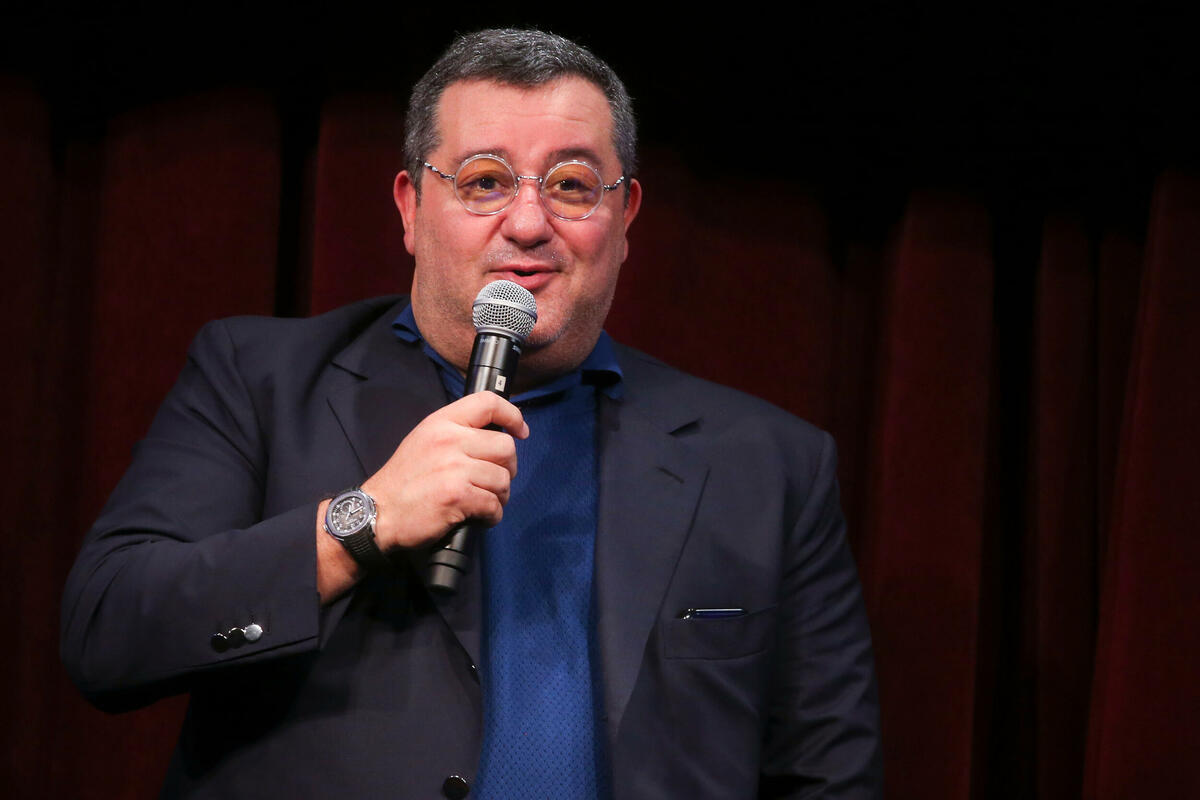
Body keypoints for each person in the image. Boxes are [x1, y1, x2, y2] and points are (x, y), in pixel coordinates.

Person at [61, 28, 882, 799]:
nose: (527, 224)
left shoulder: (769, 463)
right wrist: (360, 523)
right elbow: (108, 634)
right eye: (484, 181)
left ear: (626, 218)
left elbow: (827, 772)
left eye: (571, 186)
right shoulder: (258, 379)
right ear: (411, 207)